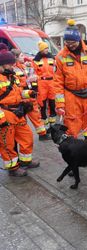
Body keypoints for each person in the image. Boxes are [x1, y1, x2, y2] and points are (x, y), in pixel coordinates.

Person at [54, 19, 87, 141]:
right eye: (67, 42)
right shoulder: (60, 57)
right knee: (71, 132)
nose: (70, 45)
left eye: (73, 43)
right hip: (71, 98)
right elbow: (57, 83)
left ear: (79, 40)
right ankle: (76, 158)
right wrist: (60, 104)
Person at [0, 46, 39, 177]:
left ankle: (25, 161)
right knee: (7, 144)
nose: (12, 66)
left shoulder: (12, 76)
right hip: (5, 114)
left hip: (17, 112)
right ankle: (13, 168)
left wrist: (29, 93)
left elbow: (18, 93)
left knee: (27, 137)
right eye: (9, 64)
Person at [11, 49, 50, 141]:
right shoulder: (13, 69)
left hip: (28, 94)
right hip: (21, 96)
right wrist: (28, 81)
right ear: (15, 58)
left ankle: (42, 134)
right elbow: (16, 84)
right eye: (21, 56)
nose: (23, 57)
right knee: (22, 119)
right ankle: (21, 137)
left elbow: (30, 75)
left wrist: (34, 77)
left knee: (36, 115)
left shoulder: (23, 66)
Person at [33, 41, 56, 129]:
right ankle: (45, 126)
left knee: (52, 104)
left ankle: (52, 125)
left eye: (47, 48)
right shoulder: (36, 60)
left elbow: (56, 71)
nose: (47, 50)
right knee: (42, 105)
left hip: (51, 83)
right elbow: (34, 74)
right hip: (41, 83)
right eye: (45, 48)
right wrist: (35, 87)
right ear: (41, 50)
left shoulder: (52, 58)